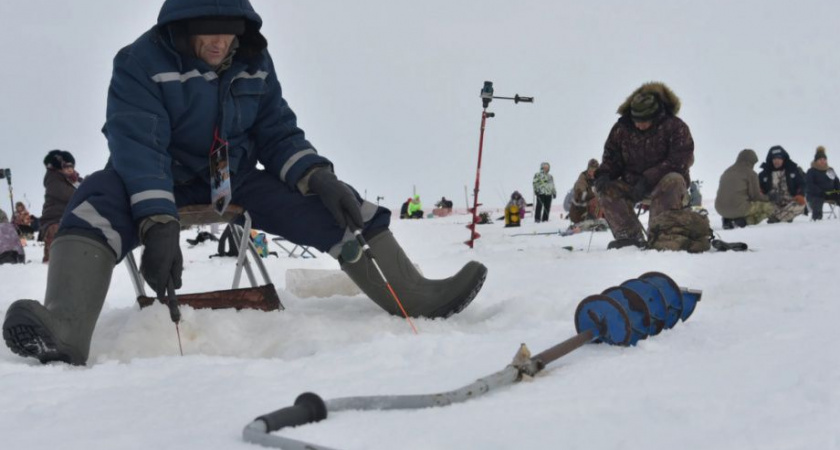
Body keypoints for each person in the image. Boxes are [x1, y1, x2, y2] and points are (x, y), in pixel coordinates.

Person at [2, 0, 487, 366]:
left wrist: (317, 175)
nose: (219, 44)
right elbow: (139, 146)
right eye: (208, 34)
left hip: (231, 178)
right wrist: (158, 221)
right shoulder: (139, 62)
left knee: (337, 202)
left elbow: (276, 131)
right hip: (157, 178)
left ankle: (413, 295)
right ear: (183, 25)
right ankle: (66, 327)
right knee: (93, 202)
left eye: (228, 34)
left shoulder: (254, 61)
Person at [594, 82, 705, 251]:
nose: (639, 125)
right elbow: (612, 157)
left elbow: (680, 161)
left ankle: (660, 236)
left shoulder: (676, 127)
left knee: (674, 179)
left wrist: (647, 179)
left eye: (644, 121)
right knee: (607, 189)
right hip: (632, 185)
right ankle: (629, 238)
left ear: (656, 115)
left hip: (664, 186)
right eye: (636, 120)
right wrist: (604, 174)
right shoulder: (621, 128)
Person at [39, 150, 82, 263]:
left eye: (71, 166)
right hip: (54, 217)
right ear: (59, 168)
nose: (70, 169)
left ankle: (79, 255)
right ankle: (51, 256)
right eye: (66, 166)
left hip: (72, 216)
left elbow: (86, 187)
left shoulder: (75, 180)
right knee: (56, 230)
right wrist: (83, 194)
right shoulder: (53, 179)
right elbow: (65, 194)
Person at [714, 149, 774, 229]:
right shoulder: (751, 174)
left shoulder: (727, 171)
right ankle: (742, 221)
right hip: (738, 209)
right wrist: (769, 197)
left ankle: (728, 220)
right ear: (751, 162)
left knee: (742, 204)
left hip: (720, 209)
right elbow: (755, 196)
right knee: (770, 207)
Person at [758, 145, 806, 223]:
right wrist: (764, 195)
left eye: (779, 158)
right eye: (774, 158)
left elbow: (802, 184)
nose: (776, 161)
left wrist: (800, 194)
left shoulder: (793, 170)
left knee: (801, 204)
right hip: (773, 203)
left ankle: (777, 218)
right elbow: (758, 188)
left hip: (790, 202)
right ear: (771, 159)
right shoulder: (763, 174)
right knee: (763, 206)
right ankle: (786, 216)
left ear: (784, 159)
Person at [805, 146, 840, 220]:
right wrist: (820, 192)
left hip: (829, 193)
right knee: (817, 201)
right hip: (815, 194)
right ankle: (817, 220)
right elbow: (809, 185)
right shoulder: (811, 171)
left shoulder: (830, 170)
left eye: (824, 159)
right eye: (820, 159)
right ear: (816, 161)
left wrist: (838, 190)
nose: (822, 161)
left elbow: (836, 182)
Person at [569, 159, 602, 225]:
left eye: (595, 170)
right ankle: (593, 220)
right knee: (596, 199)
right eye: (591, 170)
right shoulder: (583, 178)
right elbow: (580, 194)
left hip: (591, 210)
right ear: (588, 169)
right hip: (579, 212)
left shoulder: (599, 178)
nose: (592, 172)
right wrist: (594, 194)